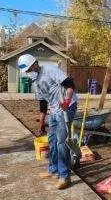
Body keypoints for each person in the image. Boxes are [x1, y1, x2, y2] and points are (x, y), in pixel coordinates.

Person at [18, 54, 77, 189]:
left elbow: (70, 84)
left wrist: (67, 100)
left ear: (34, 64)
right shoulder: (35, 81)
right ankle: (53, 170)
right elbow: (43, 103)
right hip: (55, 109)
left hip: (67, 106)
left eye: (28, 70)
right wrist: (41, 123)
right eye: (26, 71)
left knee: (61, 141)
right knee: (52, 140)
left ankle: (64, 176)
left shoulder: (50, 70)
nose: (28, 73)